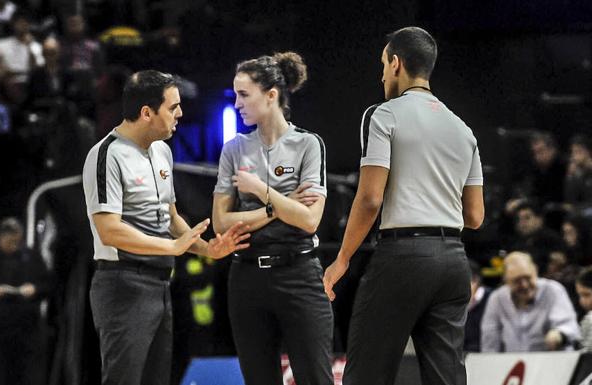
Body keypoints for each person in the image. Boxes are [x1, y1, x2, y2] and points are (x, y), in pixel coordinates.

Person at [323, 26, 484, 385]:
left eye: (383, 64)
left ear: (396, 63)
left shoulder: (384, 115)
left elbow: (369, 199)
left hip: (404, 258)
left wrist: (343, 258)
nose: (381, 74)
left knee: (366, 373)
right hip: (454, 261)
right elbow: (474, 216)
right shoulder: (464, 129)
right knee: (447, 377)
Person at [82, 70, 250, 385]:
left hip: (160, 284)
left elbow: (170, 218)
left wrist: (205, 248)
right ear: (147, 112)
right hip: (123, 284)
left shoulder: (162, 151)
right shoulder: (107, 155)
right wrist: (173, 247)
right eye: (173, 107)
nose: (181, 114)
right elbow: (109, 231)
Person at [212, 52, 333, 385]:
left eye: (243, 95)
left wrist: (261, 191)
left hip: (299, 274)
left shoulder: (308, 144)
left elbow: (309, 220)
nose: (236, 103)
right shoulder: (234, 149)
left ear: (271, 95)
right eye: (235, 94)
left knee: (315, 378)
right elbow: (221, 222)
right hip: (246, 278)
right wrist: (276, 206)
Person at [0, 217, 49, 385]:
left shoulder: (31, 256)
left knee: (29, 374)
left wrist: (35, 289)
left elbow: (49, 284)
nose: (14, 246)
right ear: (0, 237)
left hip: (27, 329)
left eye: (18, 242)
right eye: (11, 242)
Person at [481, 251, 580, 352]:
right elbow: (490, 342)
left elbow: (570, 326)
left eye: (528, 278)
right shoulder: (497, 299)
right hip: (512, 364)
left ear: (535, 271)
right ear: (506, 280)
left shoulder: (553, 290)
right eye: (517, 281)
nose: (524, 285)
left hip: (551, 361)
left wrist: (559, 334)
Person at [576, 267, 592, 351]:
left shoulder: (590, 320)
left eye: (586, 295)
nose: (582, 301)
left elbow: (587, 357)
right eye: (580, 295)